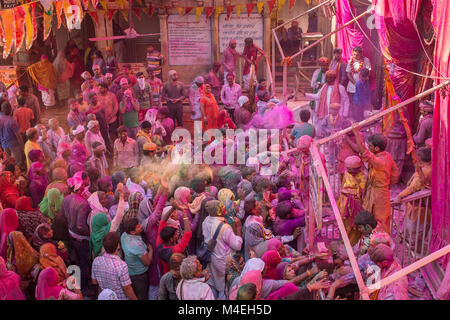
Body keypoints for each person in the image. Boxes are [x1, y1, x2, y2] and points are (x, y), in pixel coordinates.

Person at [352, 129, 399, 234]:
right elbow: (395, 174)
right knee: (371, 218)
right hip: (379, 192)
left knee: (380, 221)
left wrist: (356, 134)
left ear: (377, 148)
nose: (369, 147)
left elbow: (364, 152)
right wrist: (388, 185)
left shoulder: (380, 162)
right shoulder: (387, 155)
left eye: (370, 146)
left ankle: (380, 245)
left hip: (379, 196)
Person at [202, 200, 243, 299]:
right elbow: (237, 245)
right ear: (218, 210)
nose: (224, 207)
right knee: (223, 287)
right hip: (223, 261)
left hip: (212, 258)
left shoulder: (206, 221)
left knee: (216, 283)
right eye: (222, 206)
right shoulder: (225, 228)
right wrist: (238, 229)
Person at [91, 231, 138, 300]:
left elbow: (94, 281)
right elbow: (127, 288)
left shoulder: (96, 261)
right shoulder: (122, 265)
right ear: (118, 246)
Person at [120, 217, 153, 300]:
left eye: (139, 224)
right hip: (139, 276)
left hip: (131, 271)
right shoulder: (136, 244)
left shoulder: (124, 235)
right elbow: (147, 262)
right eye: (138, 226)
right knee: (142, 296)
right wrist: (151, 250)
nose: (141, 226)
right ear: (132, 232)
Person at [337, 156, 367, 246]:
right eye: (349, 169)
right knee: (344, 224)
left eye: (353, 170)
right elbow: (343, 186)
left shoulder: (363, 177)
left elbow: (363, 193)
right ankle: (344, 243)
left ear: (359, 168)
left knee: (354, 227)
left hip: (356, 206)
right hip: (344, 204)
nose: (351, 171)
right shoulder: (346, 174)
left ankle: (352, 246)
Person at [156, 203, 192, 275]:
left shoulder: (159, 242)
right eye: (176, 235)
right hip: (178, 275)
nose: (177, 235)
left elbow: (163, 221)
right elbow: (188, 233)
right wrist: (184, 214)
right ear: (171, 239)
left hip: (166, 273)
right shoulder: (176, 250)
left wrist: (173, 208)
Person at [0, 102, 23, 168]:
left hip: (4, 144)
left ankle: (10, 174)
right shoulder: (12, 121)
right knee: (17, 162)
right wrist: (22, 145)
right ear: (10, 110)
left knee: (8, 161)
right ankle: (18, 174)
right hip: (14, 144)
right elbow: (18, 135)